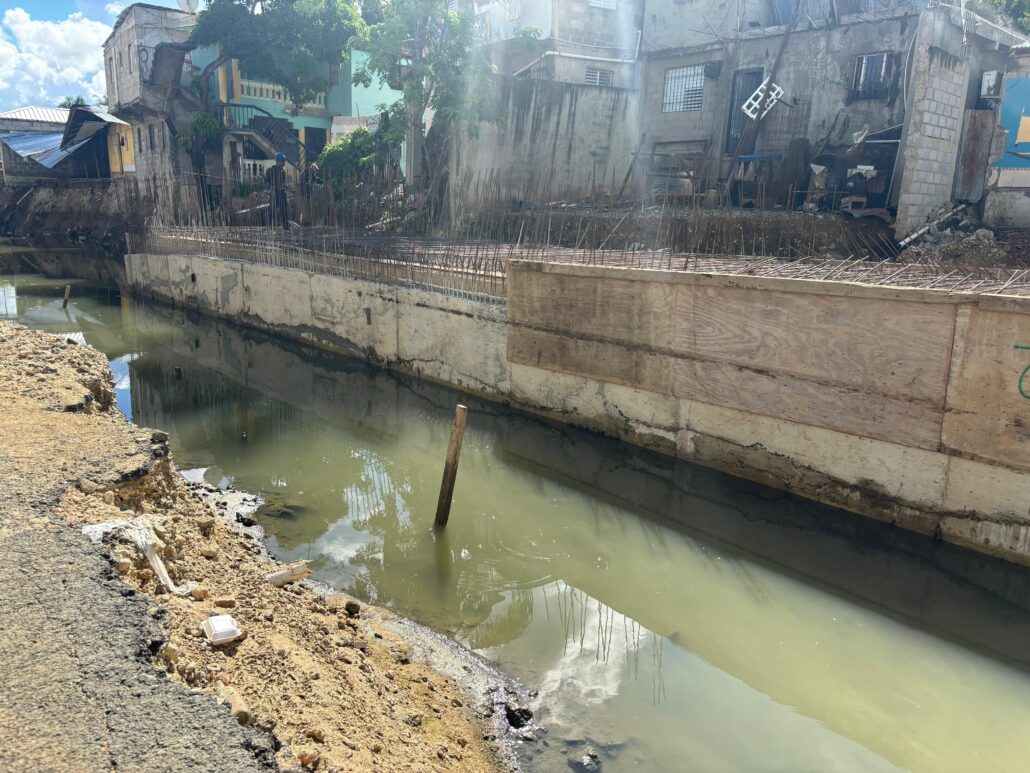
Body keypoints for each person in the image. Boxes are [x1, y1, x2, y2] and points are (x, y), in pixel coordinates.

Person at [264, 152, 290, 231]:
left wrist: (285, 186)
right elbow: (266, 181)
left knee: (284, 210)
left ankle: (286, 227)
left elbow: (283, 182)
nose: (284, 163)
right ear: (278, 161)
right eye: (283, 161)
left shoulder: (283, 171)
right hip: (274, 192)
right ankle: (269, 227)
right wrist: (270, 187)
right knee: (272, 210)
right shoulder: (270, 170)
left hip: (282, 192)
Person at [298, 162, 322, 226]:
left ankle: (307, 226)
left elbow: (317, 180)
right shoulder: (305, 173)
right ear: (312, 168)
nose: (315, 173)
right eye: (315, 171)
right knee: (305, 213)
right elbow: (305, 183)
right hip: (303, 195)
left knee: (308, 212)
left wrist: (323, 182)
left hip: (309, 196)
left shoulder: (311, 174)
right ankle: (303, 226)